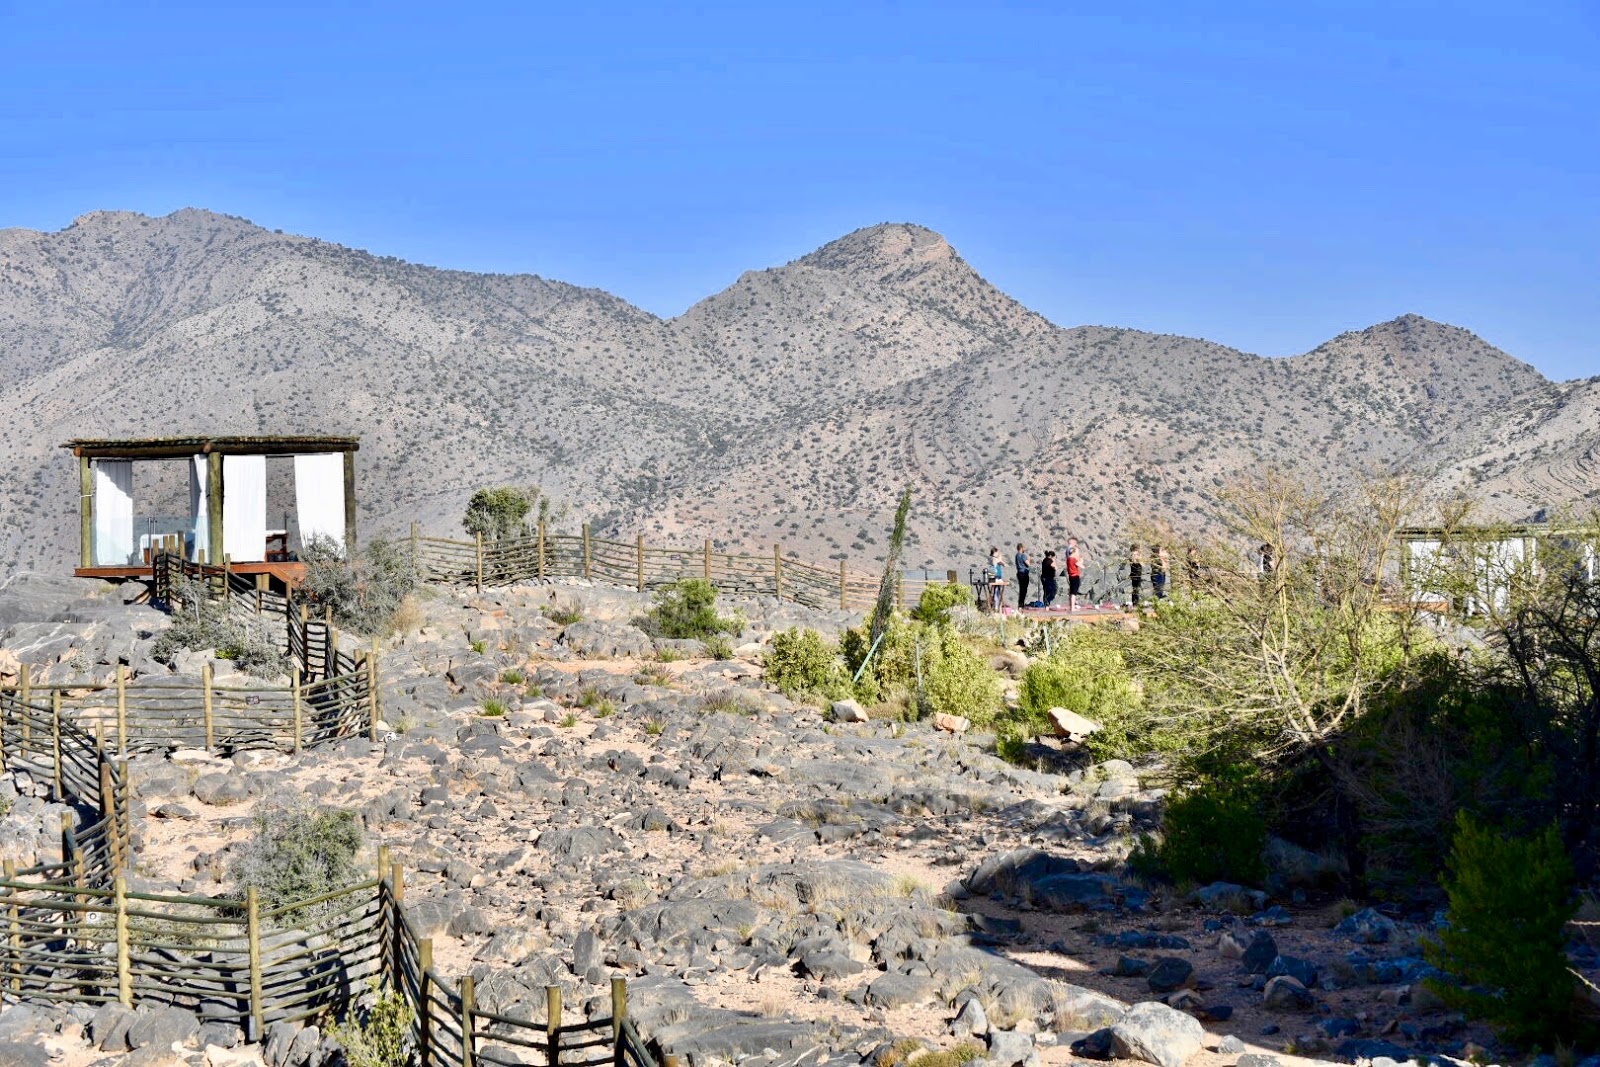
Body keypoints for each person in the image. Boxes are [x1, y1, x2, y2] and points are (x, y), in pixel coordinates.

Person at [1065, 537, 1083, 611]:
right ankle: (1073, 606)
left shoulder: (1069, 559)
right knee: (1074, 592)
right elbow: (1080, 564)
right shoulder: (1072, 558)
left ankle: (1073, 605)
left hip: (1071, 574)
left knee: (1072, 591)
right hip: (1075, 575)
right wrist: (1081, 560)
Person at [988, 547, 1006, 612]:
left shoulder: (996, 559)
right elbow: (1000, 561)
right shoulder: (993, 559)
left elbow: (1002, 563)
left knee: (997, 592)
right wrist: (1000, 556)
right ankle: (996, 606)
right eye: (997, 552)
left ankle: (998, 606)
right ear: (994, 553)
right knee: (996, 592)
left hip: (998, 577)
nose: (998, 553)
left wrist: (1002, 561)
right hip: (995, 578)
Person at [1014, 543, 1031, 609]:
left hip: (1019, 573)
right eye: (1024, 547)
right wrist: (1029, 559)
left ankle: (1020, 604)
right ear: (1021, 548)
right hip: (1024, 573)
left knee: (1021, 589)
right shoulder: (1023, 555)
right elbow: (1028, 564)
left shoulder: (1017, 555)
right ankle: (1021, 604)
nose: (1025, 549)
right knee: (1024, 589)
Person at [1128, 543, 1144, 608]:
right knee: (1136, 588)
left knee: (1135, 588)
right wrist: (1139, 557)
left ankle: (1135, 602)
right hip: (1136, 573)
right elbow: (1134, 562)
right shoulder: (1134, 554)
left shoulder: (1135, 554)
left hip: (1136, 573)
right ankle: (1135, 602)